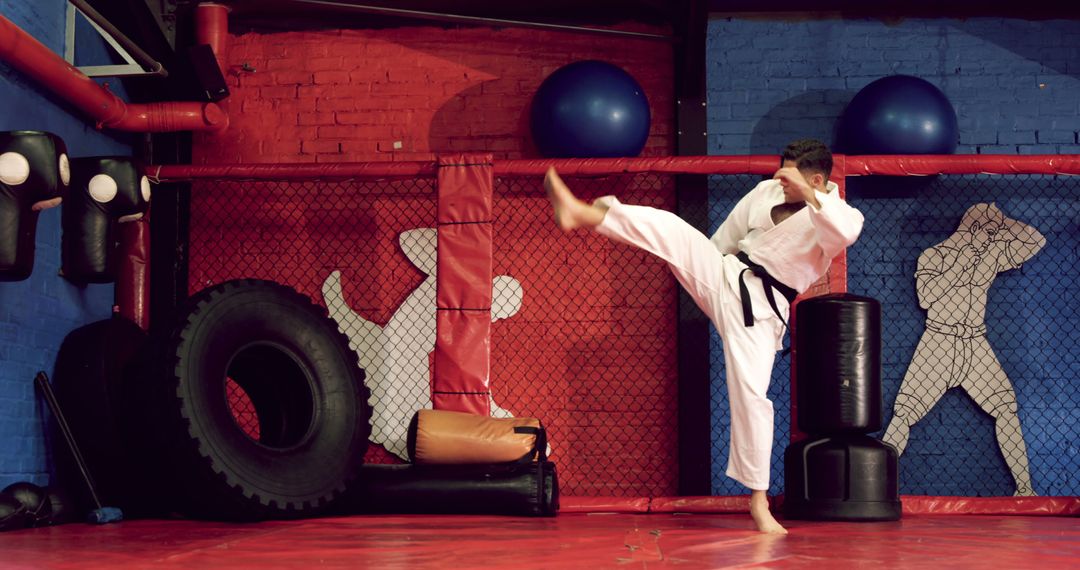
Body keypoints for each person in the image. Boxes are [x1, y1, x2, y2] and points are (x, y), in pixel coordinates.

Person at [544, 139, 864, 533]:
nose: (778, 181)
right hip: (727, 275)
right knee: (677, 231)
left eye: (789, 176)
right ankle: (584, 213)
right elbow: (724, 239)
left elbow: (845, 231)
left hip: (761, 313)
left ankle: (759, 503)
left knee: (751, 396)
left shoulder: (839, 216)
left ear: (816, 179)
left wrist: (812, 196)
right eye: (779, 173)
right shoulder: (766, 191)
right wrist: (701, 271)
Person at [882, 202, 1044, 496]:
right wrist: (964, 257)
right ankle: (876, 487)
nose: (994, 238)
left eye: (997, 232)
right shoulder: (934, 254)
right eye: (989, 231)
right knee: (904, 413)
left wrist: (1002, 224)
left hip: (976, 343)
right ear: (973, 228)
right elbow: (926, 298)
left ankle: (1025, 490)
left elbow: (1035, 240)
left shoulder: (991, 254)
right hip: (938, 342)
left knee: (1007, 408)